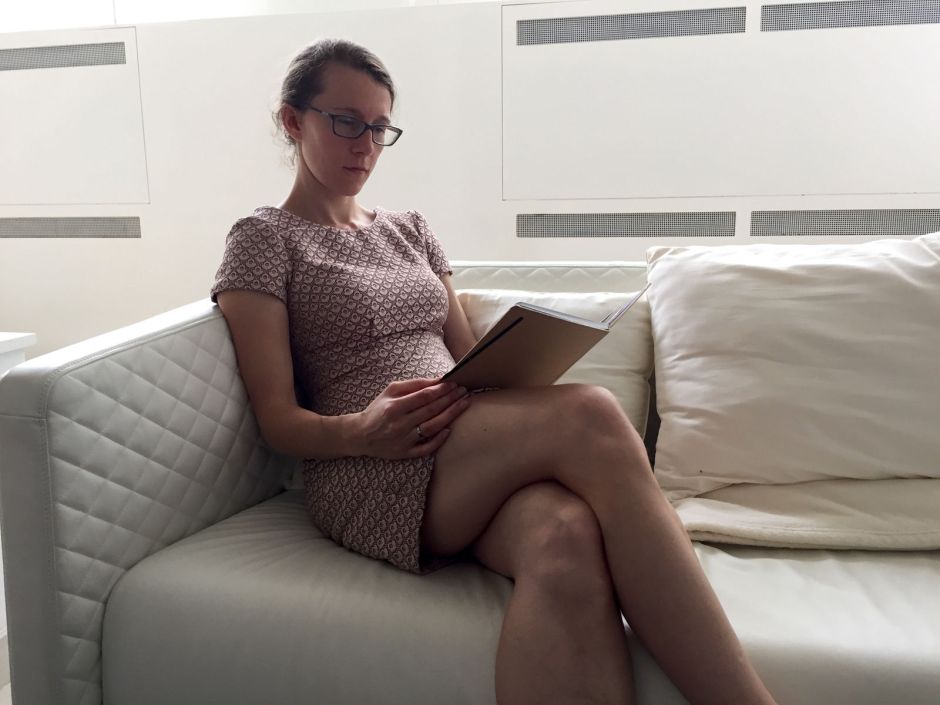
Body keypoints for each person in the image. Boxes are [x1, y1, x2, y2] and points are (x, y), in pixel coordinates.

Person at [210, 38, 778, 705]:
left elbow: (466, 356)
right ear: (293, 120)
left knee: (564, 535)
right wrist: (364, 431)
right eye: (345, 121)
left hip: (461, 443)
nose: (365, 144)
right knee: (590, 411)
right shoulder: (262, 238)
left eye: (379, 128)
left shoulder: (410, 228)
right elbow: (278, 420)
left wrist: (517, 371)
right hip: (369, 463)